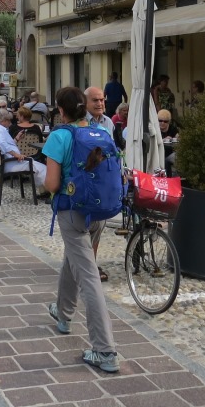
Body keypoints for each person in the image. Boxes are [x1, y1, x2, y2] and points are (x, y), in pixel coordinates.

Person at [42, 86, 120, 373]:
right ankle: (63, 314)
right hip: (99, 211)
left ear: (61, 111)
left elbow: (51, 185)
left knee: (89, 277)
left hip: (72, 211)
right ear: (84, 108)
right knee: (74, 257)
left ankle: (105, 350)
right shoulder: (102, 133)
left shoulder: (59, 136)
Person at [85, 86, 119, 281]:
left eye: (102, 100)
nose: (100, 103)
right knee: (87, 224)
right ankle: (87, 266)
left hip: (103, 179)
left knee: (99, 223)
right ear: (86, 103)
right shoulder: (81, 122)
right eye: (95, 100)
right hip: (87, 178)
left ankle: (90, 264)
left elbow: (112, 149)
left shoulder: (108, 122)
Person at [0, 108, 48, 197]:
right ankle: (50, 192)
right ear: (3, 121)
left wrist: (16, 139)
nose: (10, 123)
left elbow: (5, 145)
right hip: (10, 163)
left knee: (36, 166)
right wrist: (17, 155)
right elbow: (1, 144)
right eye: (9, 120)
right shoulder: (0, 130)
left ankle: (44, 191)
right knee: (42, 167)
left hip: (5, 162)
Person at [157, 108, 179, 175]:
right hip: (159, 153)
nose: (162, 123)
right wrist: (163, 140)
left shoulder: (172, 128)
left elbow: (178, 137)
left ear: (168, 122)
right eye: (160, 121)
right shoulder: (155, 130)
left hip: (171, 152)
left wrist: (174, 138)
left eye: (165, 121)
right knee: (165, 161)